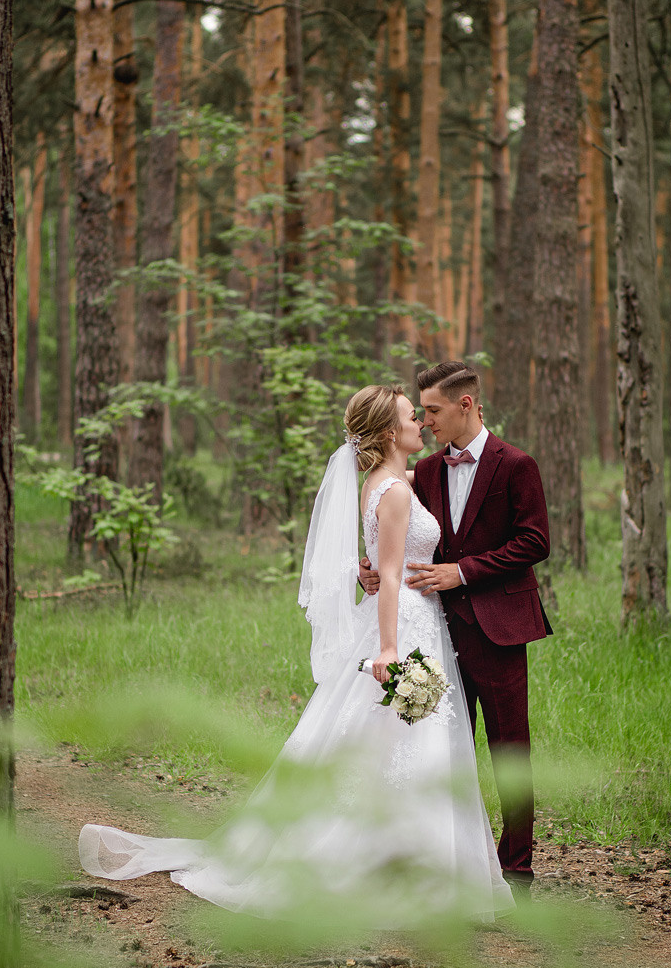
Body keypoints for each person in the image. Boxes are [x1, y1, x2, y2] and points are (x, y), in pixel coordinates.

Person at [78, 385, 514, 926]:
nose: (420, 423)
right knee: (401, 741)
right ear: (388, 431)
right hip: (401, 624)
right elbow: (392, 574)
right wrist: (388, 648)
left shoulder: (385, 482)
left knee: (381, 742)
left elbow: (388, 552)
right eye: (411, 416)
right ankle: (394, 867)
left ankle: (399, 856)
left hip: (411, 618)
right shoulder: (396, 492)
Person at [360, 363, 551, 899]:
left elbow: (534, 542)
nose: (426, 420)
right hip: (438, 633)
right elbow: (397, 529)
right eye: (420, 412)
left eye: (434, 410)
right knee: (439, 747)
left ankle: (517, 870)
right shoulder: (425, 471)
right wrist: (368, 567)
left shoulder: (517, 465)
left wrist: (462, 572)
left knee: (510, 751)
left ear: (466, 404)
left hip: (499, 630)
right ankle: (448, 861)